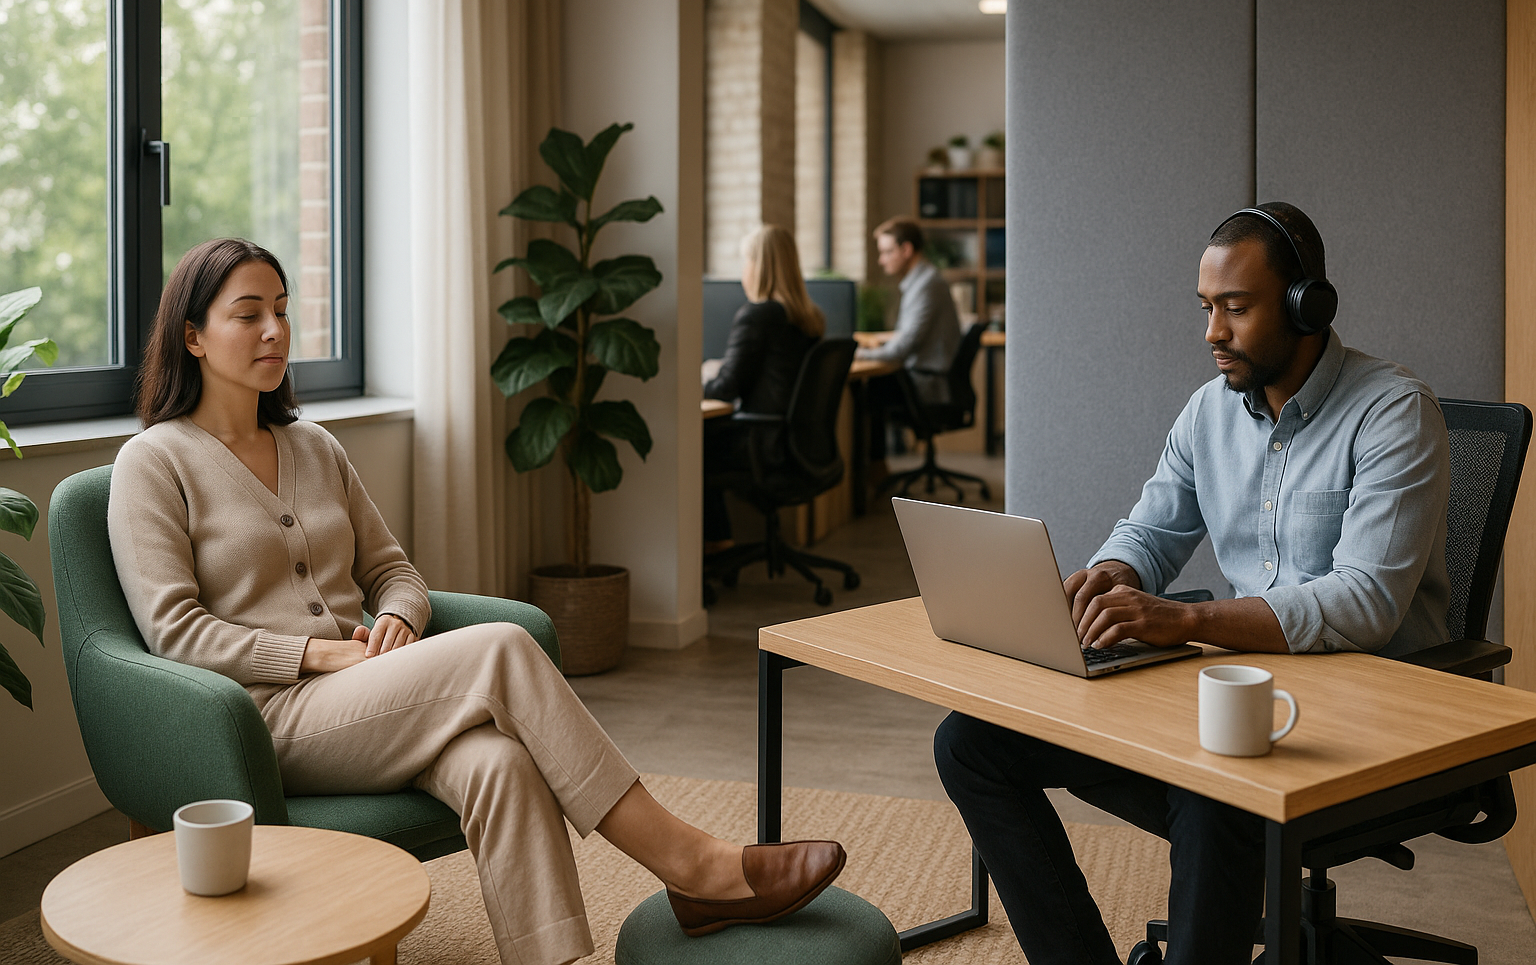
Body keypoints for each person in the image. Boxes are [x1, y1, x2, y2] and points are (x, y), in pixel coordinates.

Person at [107, 237, 846, 965]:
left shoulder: (314, 447)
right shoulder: (153, 463)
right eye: (247, 315)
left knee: (502, 765)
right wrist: (314, 651)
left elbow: (394, 571)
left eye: (282, 309)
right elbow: (174, 631)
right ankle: (696, 866)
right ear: (193, 337)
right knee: (500, 644)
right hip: (260, 719)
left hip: (365, 696)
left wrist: (398, 615)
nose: (275, 330)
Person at [932, 202, 1451, 965]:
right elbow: (1152, 530)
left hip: (1365, 716)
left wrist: (1181, 623)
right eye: (1207, 308)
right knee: (971, 744)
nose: (1213, 332)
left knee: (1212, 797)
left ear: (1308, 304)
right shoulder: (1208, 413)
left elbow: (1364, 603)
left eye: (1236, 309)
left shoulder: (1393, 414)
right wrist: (1109, 577)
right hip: (1238, 698)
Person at [701, 224, 824, 550]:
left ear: (760, 266)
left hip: (763, 445)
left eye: (746, 261)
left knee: (694, 446)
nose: (744, 271)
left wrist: (696, 383)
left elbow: (726, 387)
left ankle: (717, 546)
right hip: (795, 444)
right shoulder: (809, 318)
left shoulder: (758, 315)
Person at [854, 216, 961, 462]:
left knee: (865, 393)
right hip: (927, 376)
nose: (881, 261)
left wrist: (858, 353)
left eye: (887, 252)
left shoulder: (926, 285)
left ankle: (870, 474)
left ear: (906, 249)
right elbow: (908, 336)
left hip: (928, 384)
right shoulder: (923, 281)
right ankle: (874, 472)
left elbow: (903, 348)